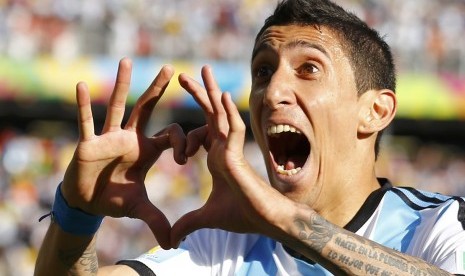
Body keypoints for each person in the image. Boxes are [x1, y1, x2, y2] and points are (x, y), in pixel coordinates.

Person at [34, 0, 465, 275]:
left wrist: (285, 220)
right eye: (263, 71)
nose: (272, 91)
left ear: (375, 110)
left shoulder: (439, 225)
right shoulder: (223, 246)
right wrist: (76, 217)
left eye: (308, 69)